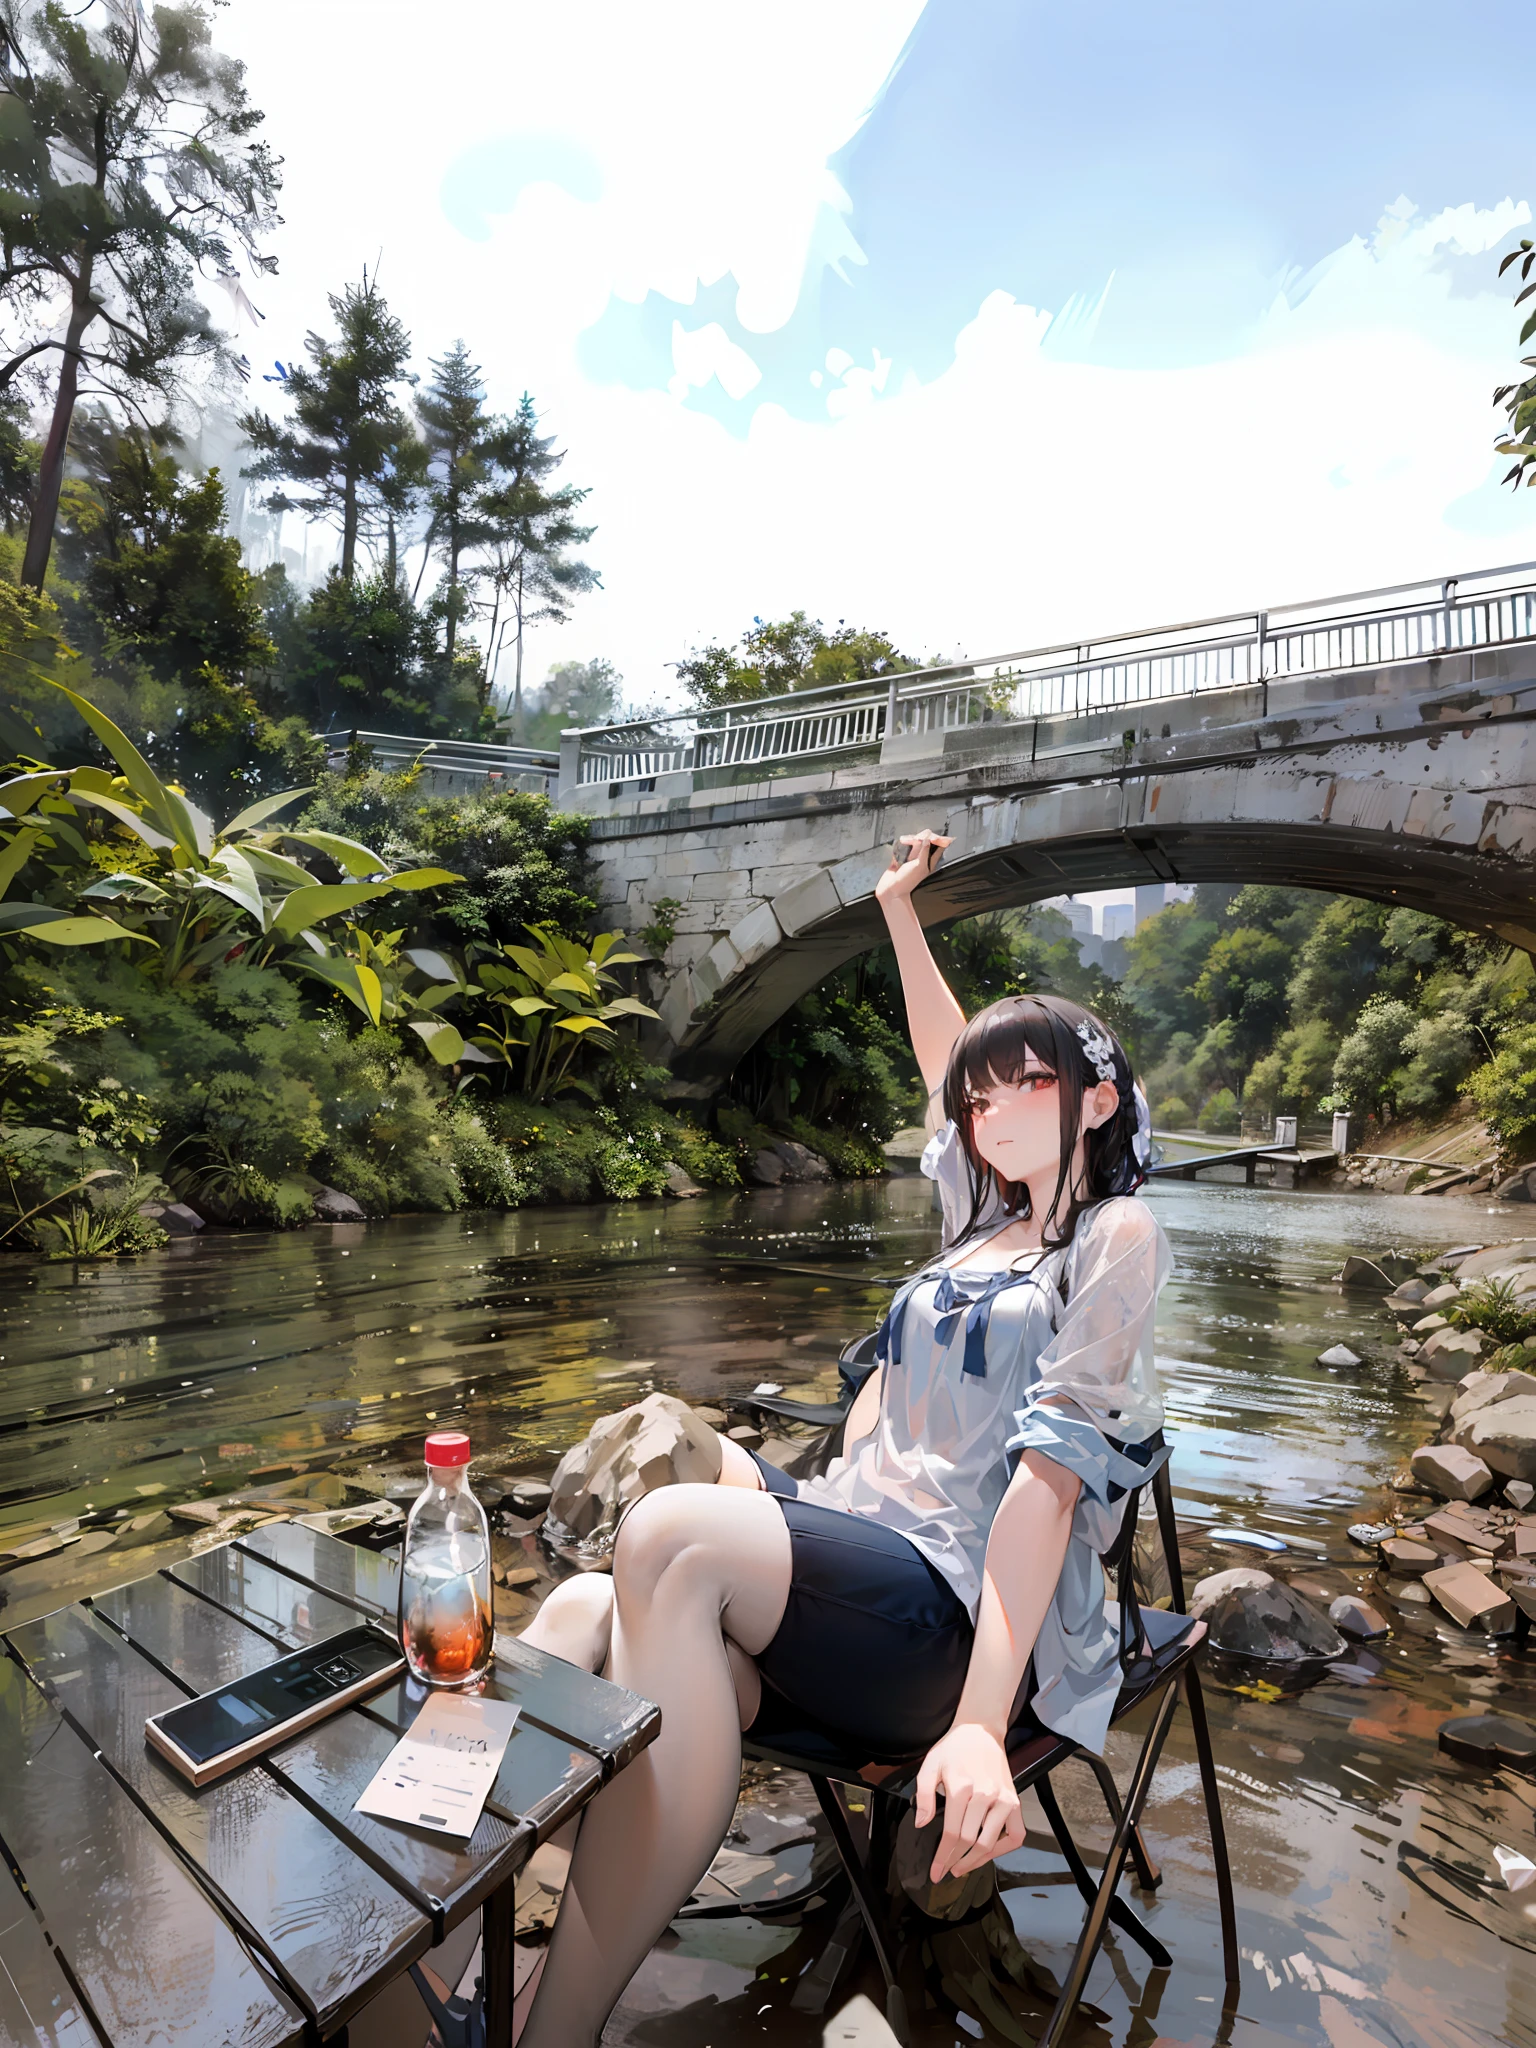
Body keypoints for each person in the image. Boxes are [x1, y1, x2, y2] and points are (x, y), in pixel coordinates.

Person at [514, 828, 1171, 2048]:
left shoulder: (1111, 1238)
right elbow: (947, 1058)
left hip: (953, 1617)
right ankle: (436, 1946)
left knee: (667, 1530)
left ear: (1093, 1095)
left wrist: (980, 1719)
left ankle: (550, 2026)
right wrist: (896, 911)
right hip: (862, 1555)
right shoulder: (976, 1222)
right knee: (573, 1612)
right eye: (978, 1098)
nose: (986, 1111)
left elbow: (1048, 1484)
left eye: (1026, 1084)